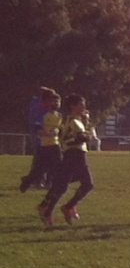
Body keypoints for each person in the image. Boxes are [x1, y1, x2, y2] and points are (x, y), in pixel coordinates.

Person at [37, 94, 94, 226]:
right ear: (72, 106)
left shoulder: (72, 120)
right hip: (76, 155)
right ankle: (66, 207)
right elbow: (80, 138)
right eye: (81, 104)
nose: (84, 107)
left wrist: (85, 126)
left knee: (62, 184)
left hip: (72, 154)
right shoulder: (74, 122)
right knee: (87, 184)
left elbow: (72, 138)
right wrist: (88, 131)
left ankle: (47, 208)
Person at [20, 90, 62, 193]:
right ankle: (28, 180)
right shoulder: (43, 113)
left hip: (55, 143)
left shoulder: (59, 115)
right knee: (42, 167)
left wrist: (57, 131)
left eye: (58, 102)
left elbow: (59, 128)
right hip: (43, 144)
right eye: (54, 101)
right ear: (49, 102)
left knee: (58, 164)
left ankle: (53, 184)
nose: (57, 104)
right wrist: (47, 134)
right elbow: (38, 129)